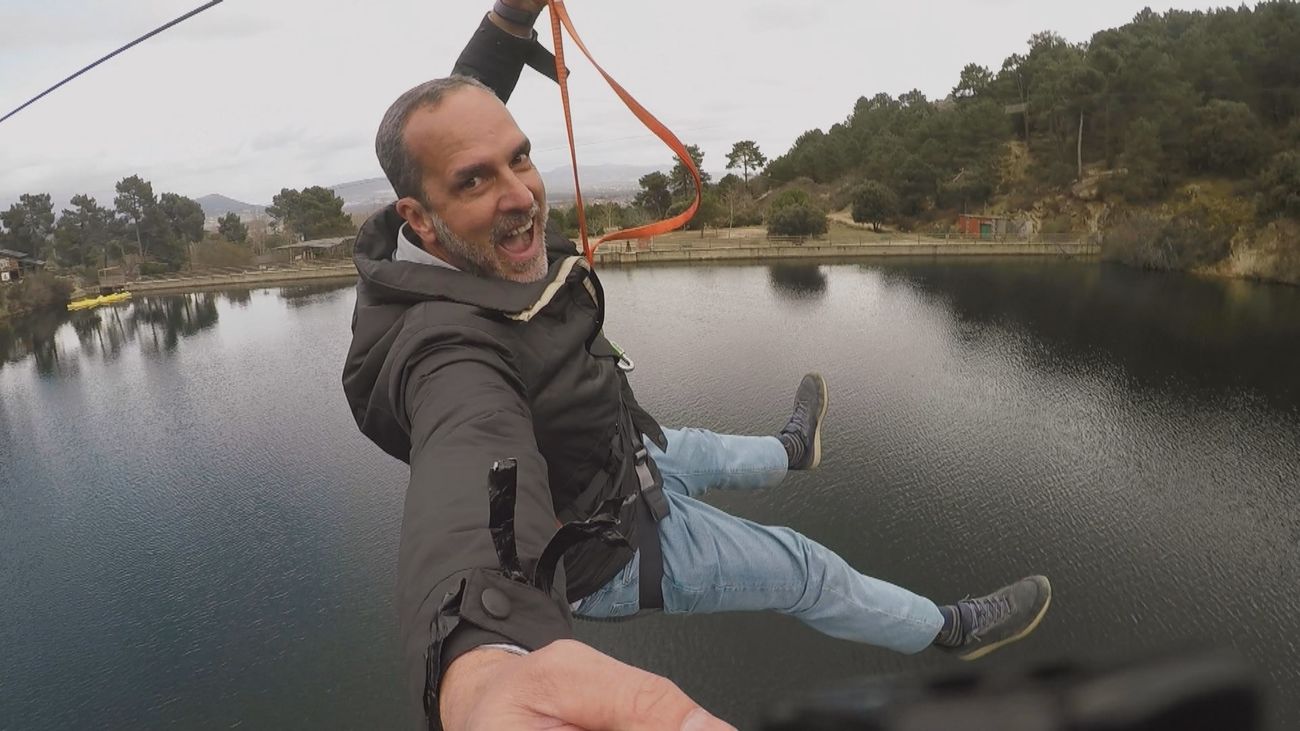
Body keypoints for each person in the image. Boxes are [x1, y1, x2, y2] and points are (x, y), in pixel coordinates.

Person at [342, 4, 1053, 730]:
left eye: (519, 158)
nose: (521, 195)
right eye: (475, 181)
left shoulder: (440, 229)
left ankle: (792, 450)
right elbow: (467, 480)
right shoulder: (444, 351)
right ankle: (948, 629)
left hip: (615, 453)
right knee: (803, 567)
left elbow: (461, 118)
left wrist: (509, 20)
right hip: (607, 543)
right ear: (418, 217)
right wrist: (481, 665)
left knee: (717, 450)